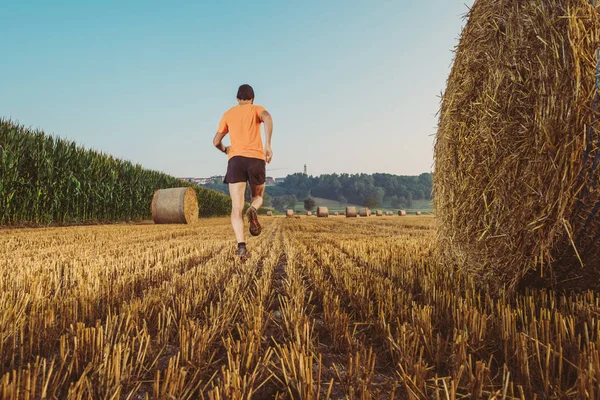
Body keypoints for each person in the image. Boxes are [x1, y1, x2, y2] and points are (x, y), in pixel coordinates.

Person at [213, 84, 273, 260]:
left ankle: (241, 247)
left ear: (238, 99)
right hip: (256, 158)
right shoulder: (257, 109)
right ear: (252, 98)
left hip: (236, 160)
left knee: (236, 208)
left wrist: (225, 150)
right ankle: (253, 208)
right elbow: (268, 118)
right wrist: (268, 144)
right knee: (258, 196)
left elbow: (216, 141)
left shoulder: (228, 113)